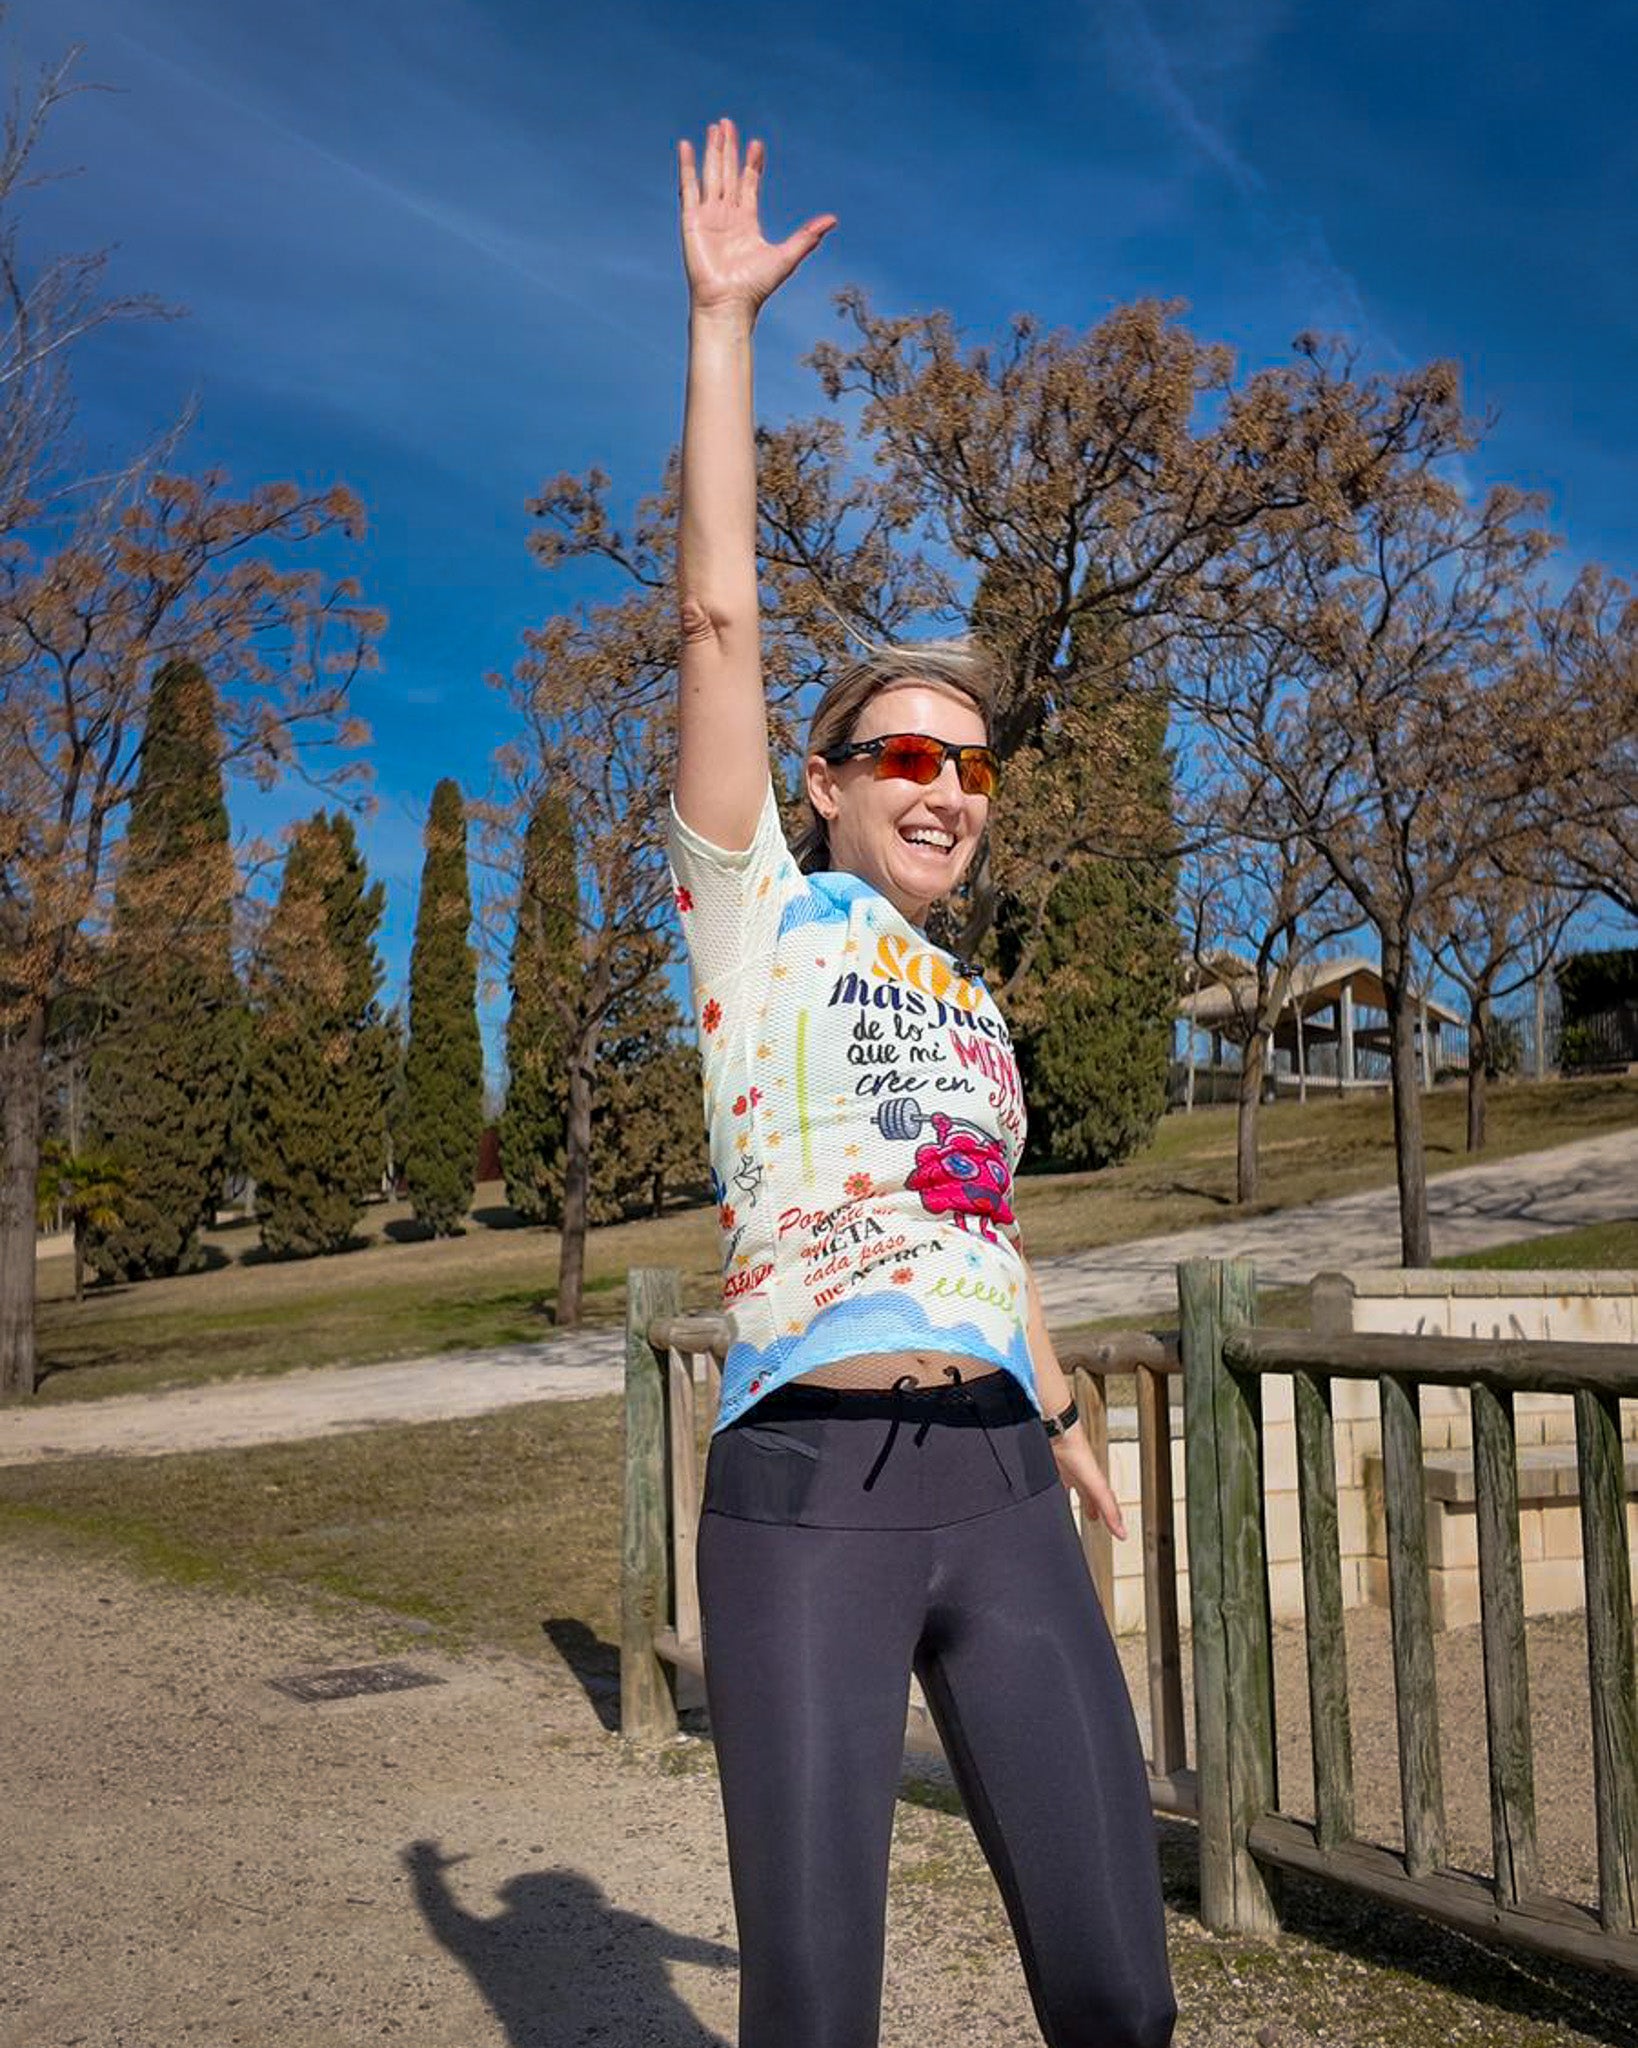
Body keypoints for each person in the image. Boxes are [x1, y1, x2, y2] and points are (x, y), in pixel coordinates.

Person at [668, 119, 1177, 2048]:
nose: (943, 784)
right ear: (824, 779)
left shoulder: (970, 1005)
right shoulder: (755, 923)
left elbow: (984, 1220)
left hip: (996, 1484)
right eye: (902, 752)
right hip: (807, 1493)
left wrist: (1049, 1399)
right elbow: (719, 611)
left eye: (970, 764)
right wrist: (722, 327)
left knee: (1116, 1992)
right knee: (815, 2011)